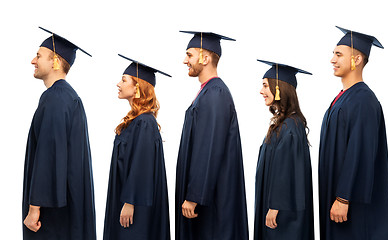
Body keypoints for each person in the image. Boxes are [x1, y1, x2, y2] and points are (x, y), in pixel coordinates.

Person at [318, 26, 388, 240]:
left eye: (338, 54)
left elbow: (360, 151)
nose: (332, 59)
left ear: (357, 59)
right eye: (333, 54)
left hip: (351, 205)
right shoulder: (343, 98)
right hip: (335, 197)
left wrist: (343, 198)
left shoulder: (363, 99)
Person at [22, 27, 96, 240]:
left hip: (52, 213)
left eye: (38, 56)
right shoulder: (68, 97)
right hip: (68, 203)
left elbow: (49, 155)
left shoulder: (55, 98)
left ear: (55, 61)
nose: (32, 61)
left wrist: (34, 207)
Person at [175, 31, 248, 240]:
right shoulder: (207, 91)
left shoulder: (215, 93)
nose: (184, 60)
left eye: (189, 55)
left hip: (212, 202)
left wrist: (194, 195)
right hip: (206, 197)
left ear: (205, 58)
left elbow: (208, 147)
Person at [103, 54, 171, 240]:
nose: (118, 84)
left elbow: (142, 164)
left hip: (136, 207)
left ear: (137, 87)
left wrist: (130, 201)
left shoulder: (145, 122)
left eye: (124, 80)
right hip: (126, 200)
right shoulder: (135, 122)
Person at [254, 60, 314, 240]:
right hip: (277, 206)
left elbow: (286, 171)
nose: (261, 91)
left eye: (265, 85)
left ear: (278, 88)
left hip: (282, 213)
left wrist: (274, 207)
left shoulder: (290, 127)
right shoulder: (286, 123)